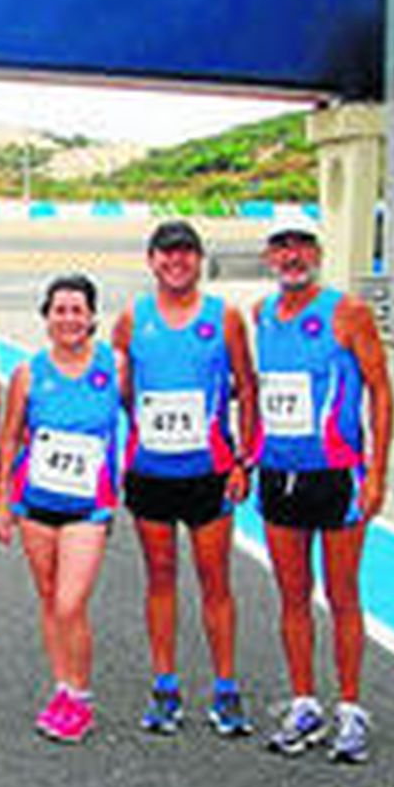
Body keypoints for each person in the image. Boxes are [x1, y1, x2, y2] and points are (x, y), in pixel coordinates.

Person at [253, 209, 394, 764]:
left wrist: (377, 470)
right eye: (282, 246)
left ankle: (352, 709)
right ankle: (305, 702)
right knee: (291, 596)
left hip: (337, 476)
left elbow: (381, 392)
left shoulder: (348, 313)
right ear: (269, 255)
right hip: (278, 473)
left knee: (341, 595)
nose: (292, 255)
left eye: (302, 245)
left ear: (317, 252)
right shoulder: (261, 314)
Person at [112, 220, 258, 738]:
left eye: (186, 254)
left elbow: (247, 386)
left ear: (199, 261)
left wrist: (245, 459)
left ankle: (225, 690)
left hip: (209, 473)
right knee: (160, 577)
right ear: (151, 260)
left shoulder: (226, 319)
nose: (176, 262)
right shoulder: (132, 319)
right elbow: (123, 390)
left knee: (215, 580)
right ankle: (165, 688)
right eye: (166, 254)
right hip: (151, 472)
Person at [0, 275, 123, 744]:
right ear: (46, 318)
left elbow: (149, 410)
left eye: (77, 310)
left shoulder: (116, 366)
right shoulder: (29, 373)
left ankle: (81, 696)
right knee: (50, 599)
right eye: (60, 310)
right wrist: (3, 503)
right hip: (35, 501)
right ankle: (62, 688)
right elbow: (10, 438)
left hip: (89, 506)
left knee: (71, 602)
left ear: (91, 317)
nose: (69, 318)